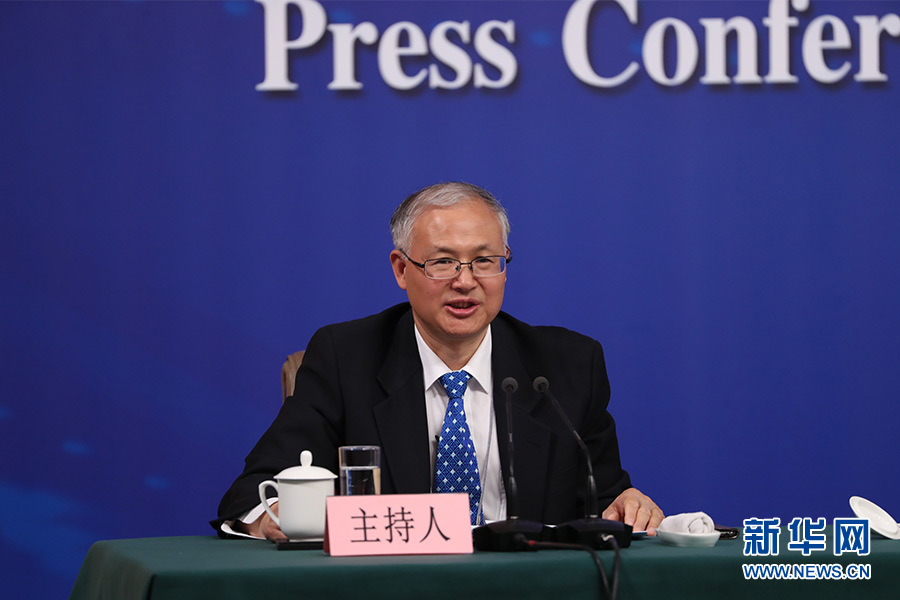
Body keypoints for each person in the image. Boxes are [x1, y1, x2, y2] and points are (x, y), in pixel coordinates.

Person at [212, 182, 663, 540]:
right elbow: (255, 491)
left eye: (484, 260)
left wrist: (627, 504)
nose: (465, 281)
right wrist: (272, 517)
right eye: (443, 262)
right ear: (401, 269)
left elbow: (604, 498)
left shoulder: (567, 365)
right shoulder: (345, 358)